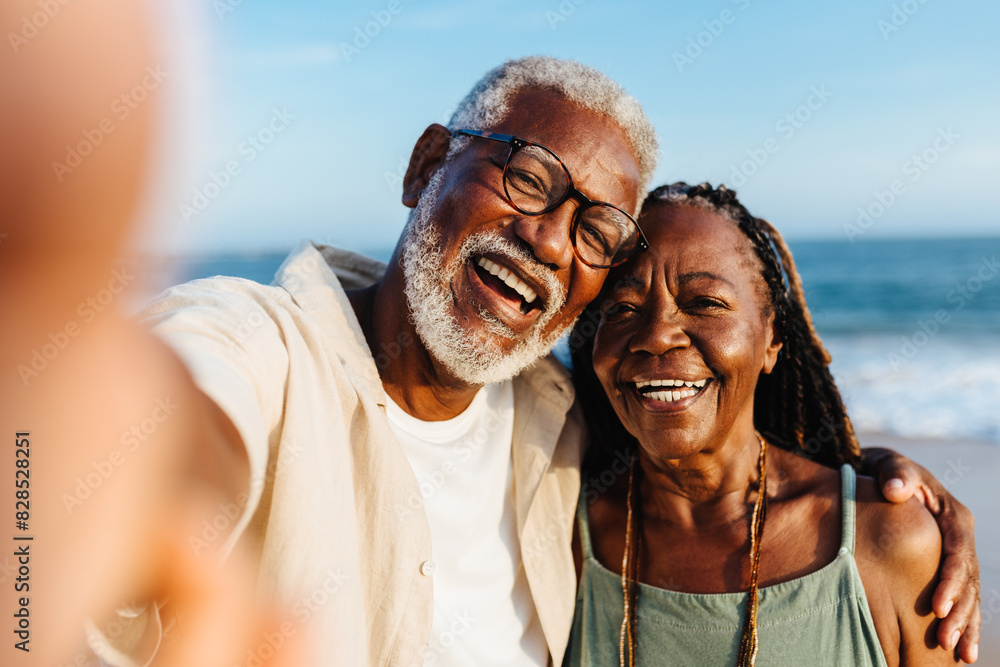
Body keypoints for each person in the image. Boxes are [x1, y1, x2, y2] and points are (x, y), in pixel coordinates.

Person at [5, 34, 974, 663]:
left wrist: (876, 479)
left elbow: (714, 452)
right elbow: (175, 425)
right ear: (427, 163)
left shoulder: (554, 429)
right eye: (529, 177)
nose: (550, 239)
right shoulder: (263, 348)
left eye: (595, 231)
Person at [566, 182, 972, 665]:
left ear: (772, 337)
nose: (655, 336)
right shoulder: (563, 535)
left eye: (704, 303)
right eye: (622, 309)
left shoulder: (887, 538)